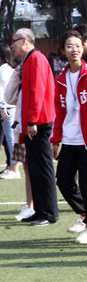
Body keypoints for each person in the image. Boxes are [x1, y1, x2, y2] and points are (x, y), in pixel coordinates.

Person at [11, 28, 58, 226]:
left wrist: (32, 121)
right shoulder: (30, 60)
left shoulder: (36, 59)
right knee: (36, 169)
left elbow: (37, 91)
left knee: (43, 169)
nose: (12, 46)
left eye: (14, 41)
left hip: (39, 122)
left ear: (24, 41)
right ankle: (40, 210)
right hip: (34, 122)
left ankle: (48, 212)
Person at [51, 30, 87, 243]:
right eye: (69, 46)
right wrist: (56, 139)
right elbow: (59, 111)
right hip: (70, 139)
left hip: (85, 140)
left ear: (83, 48)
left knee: (86, 184)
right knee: (64, 181)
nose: (74, 50)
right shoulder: (61, 80)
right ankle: (84, 214)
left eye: (78, 45)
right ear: (63, 50)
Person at [0, 43, 22, 179]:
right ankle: (12, 166)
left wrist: (3, 106)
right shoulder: (11, 67)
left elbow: (4, 89)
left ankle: (14, 169)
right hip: (13, 106)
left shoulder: (3, 68)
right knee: (12, 138)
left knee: (11, 139)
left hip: (8, 107)